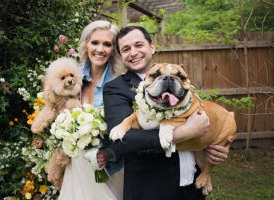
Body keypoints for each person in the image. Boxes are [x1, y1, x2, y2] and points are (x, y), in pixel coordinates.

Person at [101, 26, 231, 200]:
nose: (133, 52)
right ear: (120, 56)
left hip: (192, 185)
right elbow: (122, 141)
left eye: (139, 45)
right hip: (151, 189)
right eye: (126, 49)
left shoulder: (177, 80)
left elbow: (202, 121)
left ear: (152, 47)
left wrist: (217, 147)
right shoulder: (116, 88)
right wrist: (183, 133)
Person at [58, 20, 125, 200]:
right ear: (86, 44)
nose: (100, 49)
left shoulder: (120, 82)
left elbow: (129, 130)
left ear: (113, 49)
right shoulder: (73, 75)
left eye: (107, 44)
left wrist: (110, 153)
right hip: (76, 164)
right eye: (95, 42)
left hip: (107, 168)